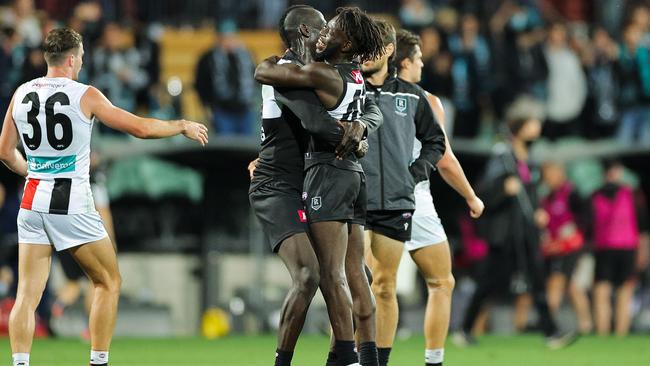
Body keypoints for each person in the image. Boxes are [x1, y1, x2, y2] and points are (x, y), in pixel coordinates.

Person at [0, 27, 207, 366]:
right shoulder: (86, 94)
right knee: (108, 281)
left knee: (26, 294)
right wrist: (180, 125)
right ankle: (98, 362)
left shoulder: (21, 93)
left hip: (32, 200)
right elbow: (139, 128)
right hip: (70, 202)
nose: (81, 63)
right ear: (70, 58)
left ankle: (20, 363)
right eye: (80, 57)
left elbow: (6, 152)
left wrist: (33, 173)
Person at [248, 5, 382, 366]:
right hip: (278, 184)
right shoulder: (284, 72)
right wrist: (356, 135)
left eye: (331, 29)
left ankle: (349, 358)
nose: (326, 34)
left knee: (350, 273)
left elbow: (373, 108)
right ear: (306, 33)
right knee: (311, 273)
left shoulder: (312, 73)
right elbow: (316, 123)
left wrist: (362, 126)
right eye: (322, 28)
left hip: (317, 177)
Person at [452, 99, 576, 349]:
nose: (537, 126)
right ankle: (464, 329)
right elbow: (485, 191)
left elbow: (527, 194)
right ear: (520, 127)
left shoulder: (524, 158)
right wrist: (503, 188)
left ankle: (552, 332)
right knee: (487, 282)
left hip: (525, 231)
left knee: (537, 279)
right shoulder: (503, 156)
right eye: (532, 123)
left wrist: (538, 210)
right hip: (506, 234)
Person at [393, 29, 484, 366]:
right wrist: (471, 196)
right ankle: (434, 361)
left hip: (368, 198)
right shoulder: (428, 101)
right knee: (441, 281)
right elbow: (444, 158)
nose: (422, 63)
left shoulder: (366, 96)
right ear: (405, 62)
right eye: (417, 58)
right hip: (413, 198)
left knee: (373, 287)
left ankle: (360, 358)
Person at [359, 21, 447, 366]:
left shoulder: (411, 96)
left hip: (395, 202)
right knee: (361, 287)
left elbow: (435, 141)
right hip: (354, 201)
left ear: (388, 52)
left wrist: (415, 174)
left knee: (383, 285)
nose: (364, 54)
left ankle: (379, 360)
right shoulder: (347, 90)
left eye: (372, 47)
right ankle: (353, 357)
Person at [591, 160, 648, 336]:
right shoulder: (595, 196)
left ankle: (620, 335)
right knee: (602, 292)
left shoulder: (632, 195)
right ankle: (603, 333)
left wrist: (643, 252)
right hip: (604, 249)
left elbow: (643, 227)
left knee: (625, 292)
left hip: (627, 249)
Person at [195, 19, 257, 136]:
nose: (229, 41)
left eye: (232, 37)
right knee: (226, 148)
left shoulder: (247, 55)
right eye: (226, 37)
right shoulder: (208, 58)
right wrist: (206, 105)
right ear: (218, 38)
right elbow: (200, 84)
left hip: (245, 109)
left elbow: (255, 78)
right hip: (222, 110)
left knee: (246, 149)